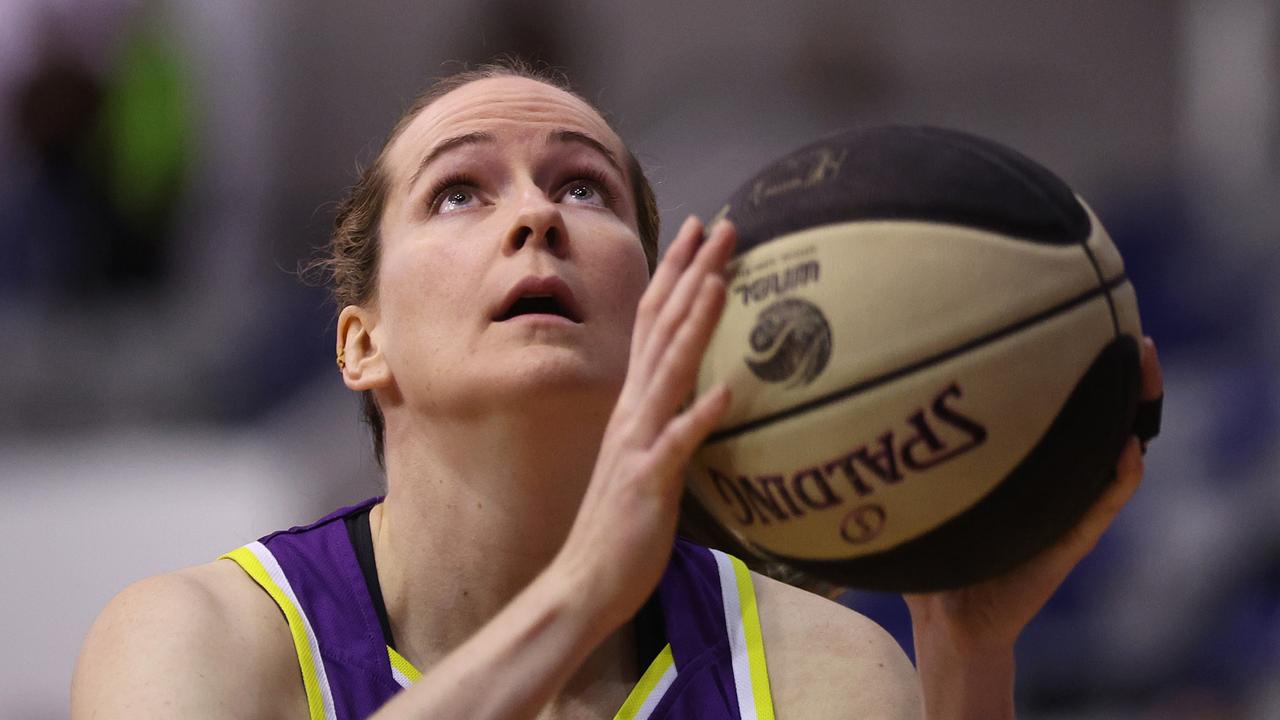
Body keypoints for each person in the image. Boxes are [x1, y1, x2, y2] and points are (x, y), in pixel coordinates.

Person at [70, 61, 1164, 719]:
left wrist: (967, 654)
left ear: (657, 310)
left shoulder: (808, 662)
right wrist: (580, 590)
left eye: (582, 186)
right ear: (362, 343)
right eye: (458, 192)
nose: (535, 216)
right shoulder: (202, 633)